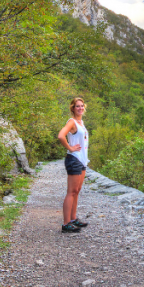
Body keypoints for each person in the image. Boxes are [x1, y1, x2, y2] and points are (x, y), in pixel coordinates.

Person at [57, 97, 89, 233]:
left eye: (82, 106)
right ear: (73, 108)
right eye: (77, 106)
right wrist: (70, 148)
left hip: (82, 161)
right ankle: (66, 224)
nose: (80, 108)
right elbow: (60, 136)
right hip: (74, 159)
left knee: (77, 191)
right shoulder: (72, 122)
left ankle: (73, 218)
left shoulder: (81, 123)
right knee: (71, 192)